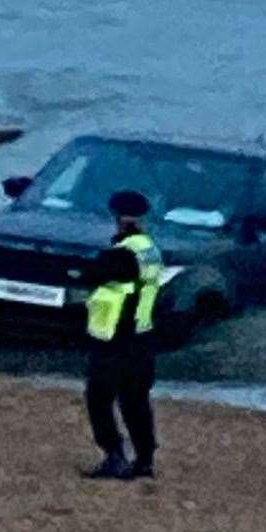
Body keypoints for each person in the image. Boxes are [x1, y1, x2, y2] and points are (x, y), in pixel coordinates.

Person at [80, 189, 163, 481]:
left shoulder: (120, 253)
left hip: (115, 337)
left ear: (118, 218)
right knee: (135, 400)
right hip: (143, 334)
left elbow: (92, 274)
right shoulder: (150, 249)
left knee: (99, 397)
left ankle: (114, 455)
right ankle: (144, 459)